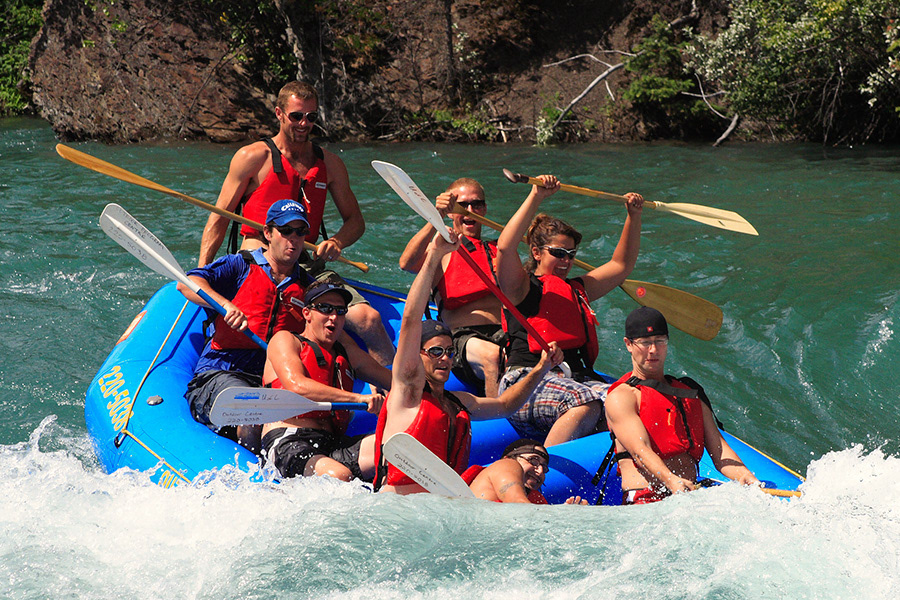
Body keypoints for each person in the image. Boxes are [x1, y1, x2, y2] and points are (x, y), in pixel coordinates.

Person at [197, 80, 394, 367]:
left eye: (311, 117)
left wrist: (337, 241)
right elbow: (219, 217)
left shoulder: (331, 165)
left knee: (368, 319)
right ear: (279, 113)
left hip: (307, 265)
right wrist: (205, 273)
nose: (304, 124)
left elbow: (355, 221)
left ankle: (396, 392)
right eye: (296, 116)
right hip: (259, 261)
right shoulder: (252, 157)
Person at [373, 229, 564, 495]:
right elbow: (410, 320)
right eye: (436, 352)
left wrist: (541, 368)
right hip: (397, 505)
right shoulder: (408, 389)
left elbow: (506, 405)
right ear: (417, 355)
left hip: (439, 510)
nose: (445, 359)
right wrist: (435, 255)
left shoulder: (459, 403)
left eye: (450, 352)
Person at [495, 175, 644, 446]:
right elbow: (505, 247)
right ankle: (541, 470)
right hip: (526, 383)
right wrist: (536, 196)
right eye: (559, 253)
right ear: (537, 252)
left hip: (576, 380)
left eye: (571, 254)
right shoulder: (520, 288)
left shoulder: (577, 290)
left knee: (636, 401)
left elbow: (622, 265)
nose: (566, 261)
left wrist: (633, 216)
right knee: (585, 403)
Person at [178, 199, 313, 445]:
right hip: (222, 371)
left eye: (300, 232)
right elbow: (187, 284)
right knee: (252, 413)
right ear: (268, 233)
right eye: (285, 231)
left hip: (269, 379)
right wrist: (226, 305)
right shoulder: (240, 265)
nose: (293, 238)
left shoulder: (307, 286)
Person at [604, 307, 759, 505]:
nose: (653, 350)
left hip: (688, 494)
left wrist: (744, 475)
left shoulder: (688, 392)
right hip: (647, 498)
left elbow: (719, 451)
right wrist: (671, 480)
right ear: (629, 344)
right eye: (645, 343)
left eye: (660, 341)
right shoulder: (622, 397)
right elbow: (640, 451)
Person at [260, 280, 392, 481]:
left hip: (333, 443)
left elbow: (394, 382)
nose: (333, 317)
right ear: (307, 313)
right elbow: (297, 386)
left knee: (393, 451)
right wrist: (358, 399)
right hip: (289, 438)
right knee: (339, 475)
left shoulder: (348, 355)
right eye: (325, 308)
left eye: (340, 311)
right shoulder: (286, 340)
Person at [398, 178, 504, 396]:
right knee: (493, 356)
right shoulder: (442, 249)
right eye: (462, 205)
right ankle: (498, 419)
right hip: (462, 339)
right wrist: (435, 216)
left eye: (477, 204)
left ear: (484, 209)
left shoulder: (498, 251)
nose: (470, 210)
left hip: (503, 333)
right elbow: (407, 263)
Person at [463, 439, 587, 504]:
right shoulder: (506, 464)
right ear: (508, 458)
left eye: (544, 468)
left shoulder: (533, 499)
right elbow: (518, 504)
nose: (540, 471)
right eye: (533, 461)